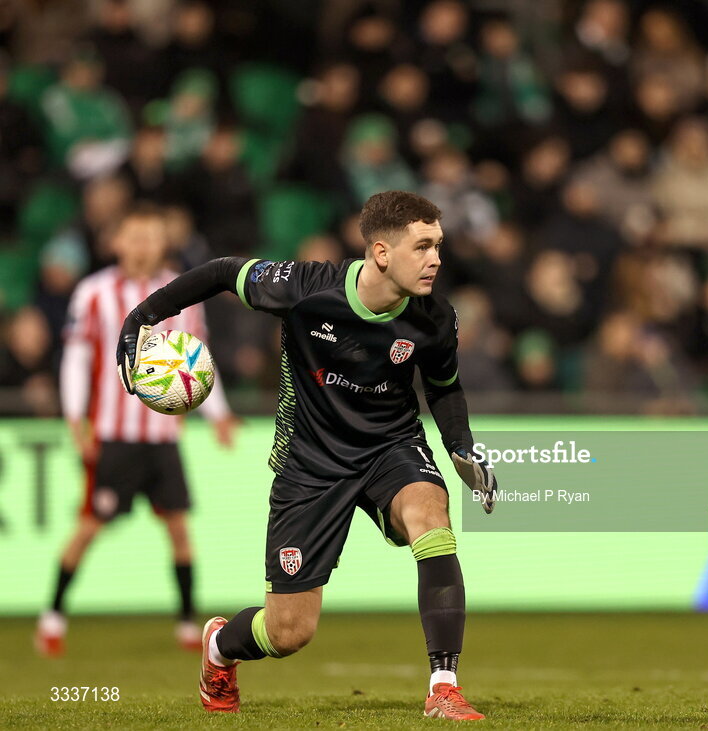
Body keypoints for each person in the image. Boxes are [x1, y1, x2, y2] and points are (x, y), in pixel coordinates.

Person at [115, 190, 498, 720]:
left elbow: (445, 387)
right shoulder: (306, 289)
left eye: (439, 246)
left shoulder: (435, 317)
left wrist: (459, 446)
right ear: (382, 253)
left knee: (432, 517)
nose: (436, 259)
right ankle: (219, 648)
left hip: (392, 446)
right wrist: (143, 317)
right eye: (424, 246)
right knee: (289, 631)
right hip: (310, 464)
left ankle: (444, 686)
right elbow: (224, 272)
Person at [36, 203, 236, 657]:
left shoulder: (183, 293)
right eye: (135, 236)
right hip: (114, 434)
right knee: (88, 525)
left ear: (164, 242)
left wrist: (217, 413)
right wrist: (75, 418)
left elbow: (196, 361)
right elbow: (77, 358)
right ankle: (52, 615)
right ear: (117, 241)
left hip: (163, 437)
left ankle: (188, 624)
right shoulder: (94, 292)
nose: (144, 244)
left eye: (152, 236)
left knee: (180, 530)